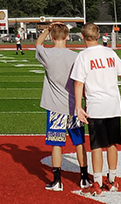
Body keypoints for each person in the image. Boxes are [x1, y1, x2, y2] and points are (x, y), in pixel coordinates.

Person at [72, 23, 121, 195]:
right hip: (113, 104)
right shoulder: (109, 53)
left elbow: (78, 82)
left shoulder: (83, 56)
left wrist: (78, 106)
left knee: (97, 145)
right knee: (112, 144)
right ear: (98, 35)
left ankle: (97, 182)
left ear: (82, 37)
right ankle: (112, 180)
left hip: (96, 106)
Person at [37, 22, 91, 191]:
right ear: (68, 37)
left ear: (52, 37)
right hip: (74, 107)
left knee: (56, 144)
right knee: (79, 142)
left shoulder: (47, 54)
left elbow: (38, 44)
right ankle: (84, 177)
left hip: (55, 107)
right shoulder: (76, 57)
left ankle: (57, 180)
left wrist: (46, 29)